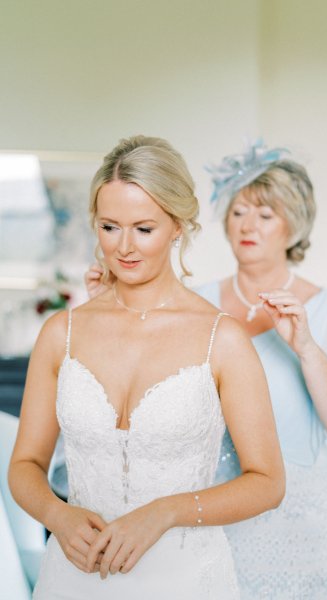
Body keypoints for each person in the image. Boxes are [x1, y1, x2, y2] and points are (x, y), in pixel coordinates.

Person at [85, 139, 327, 599]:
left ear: (293, 226)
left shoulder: (325, 310)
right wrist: (106, 308)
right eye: (239, 211)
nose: (248, 226)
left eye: (265, 214)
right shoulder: (193, 302)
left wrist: (306, 347)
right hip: (205, 516)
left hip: (296, 526)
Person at [8, 135, 285, 600]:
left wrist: (166, 511)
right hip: (74, 577)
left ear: (177, 226)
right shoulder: (62, 332)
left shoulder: (223, 339)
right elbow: (24, 465)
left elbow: (268, 481)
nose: (124, 247)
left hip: (186, 579)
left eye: (144, 228)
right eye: (109, 226)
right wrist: (58, 515)